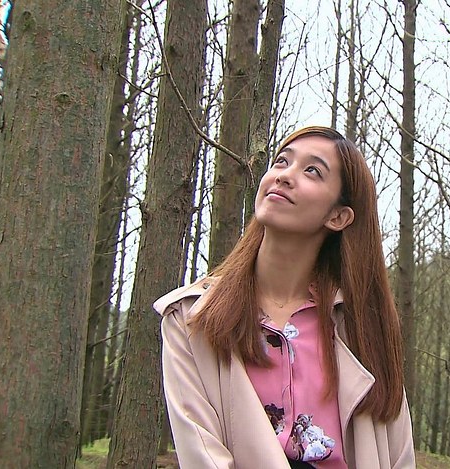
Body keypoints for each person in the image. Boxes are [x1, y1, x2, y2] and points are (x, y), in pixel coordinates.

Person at [154, 126, 415, 469]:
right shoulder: (191, 317)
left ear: (338, 216)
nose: (285, 176)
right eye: (281, 161)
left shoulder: (362, 329)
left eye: (312, 171)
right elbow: (203, 457)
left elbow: (398, 456)